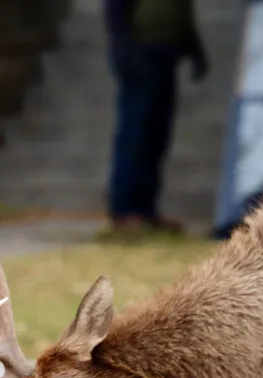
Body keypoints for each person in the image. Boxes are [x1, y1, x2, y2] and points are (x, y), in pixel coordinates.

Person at [103, 0, 209, 234]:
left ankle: (146, 209)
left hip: (167, 55)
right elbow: (115, 8)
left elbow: (180, 11)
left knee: (156, 137)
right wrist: (123, 48)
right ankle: (125, 211)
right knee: (135, 134)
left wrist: (194, 48)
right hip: (140, 52)